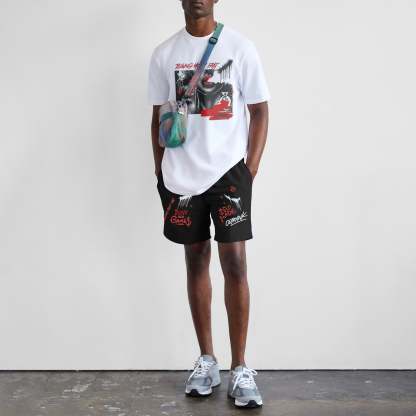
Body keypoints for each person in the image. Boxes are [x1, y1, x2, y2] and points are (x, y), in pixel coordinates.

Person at [148, 0, 270, 409]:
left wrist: (249, 170)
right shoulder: (164, 54)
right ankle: (207, 360)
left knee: (235, 262)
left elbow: (260, 110)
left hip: (229, 173)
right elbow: (157, 117)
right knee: (196, 259)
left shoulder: (240, 47)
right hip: (181, 177)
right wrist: (160, 173)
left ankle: (240, 367)